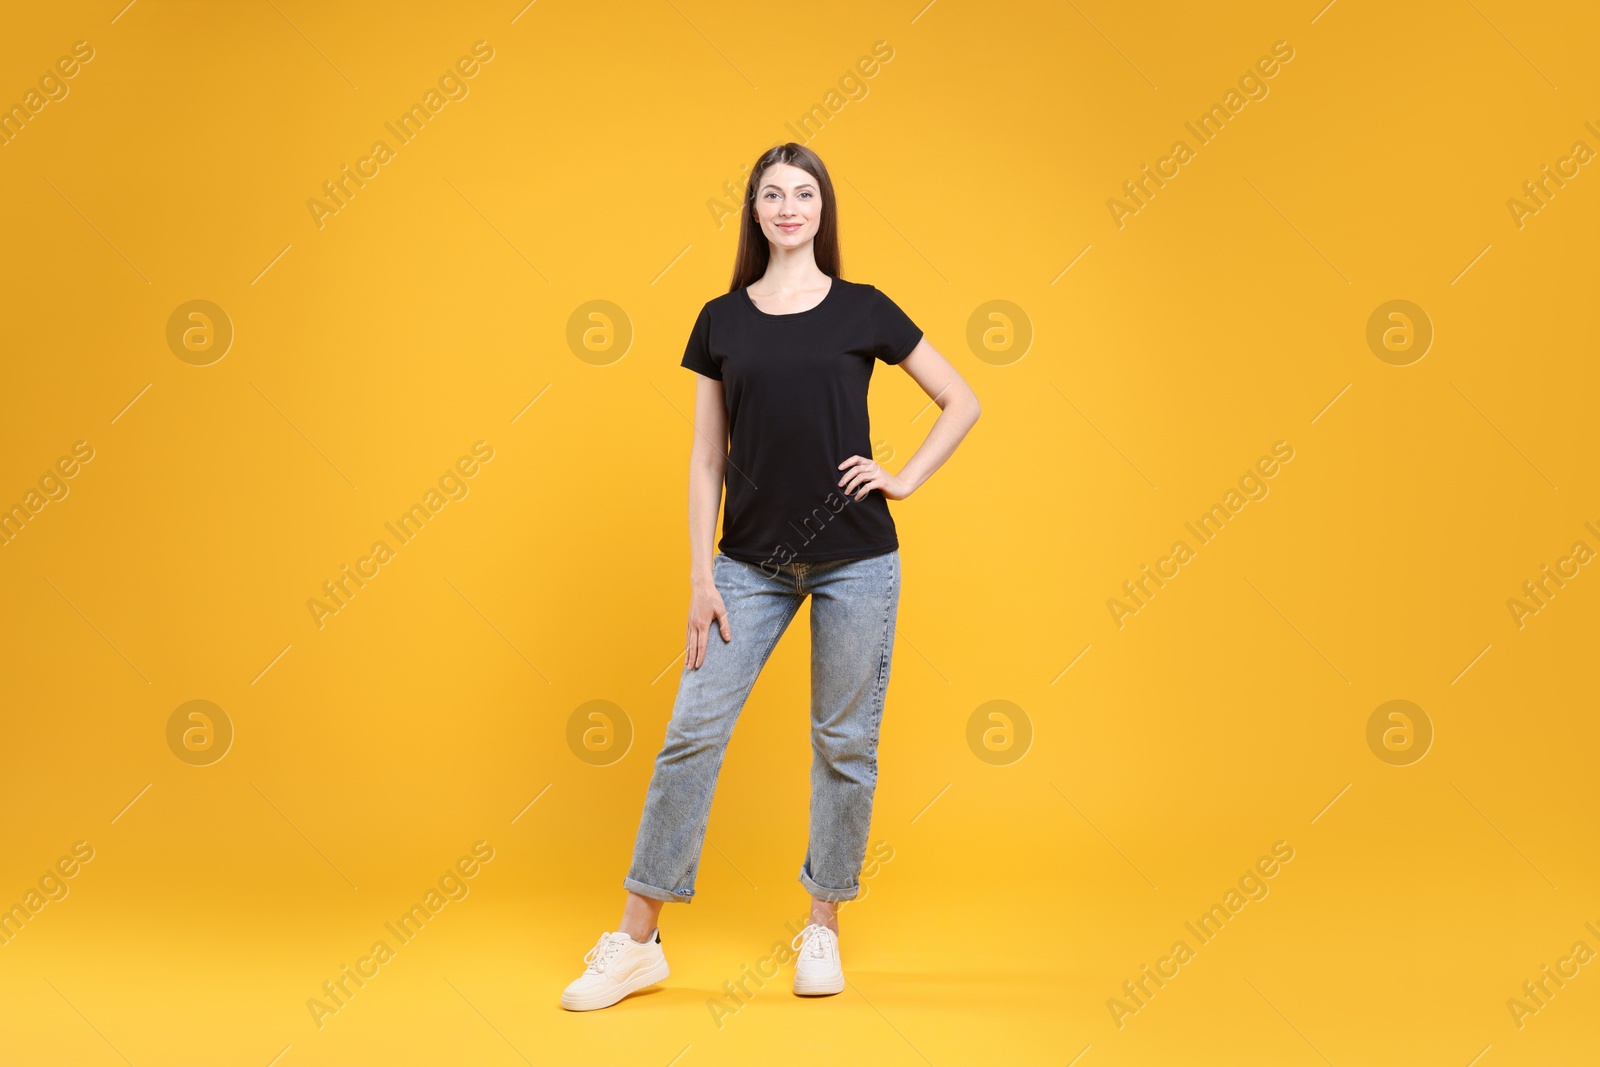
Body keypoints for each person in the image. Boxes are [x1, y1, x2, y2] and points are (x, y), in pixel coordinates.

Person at [561, 142, 981, 1011]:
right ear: (753, 211)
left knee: (844, 744)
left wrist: (903, 476)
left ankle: (823, 926)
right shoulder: (721, 319)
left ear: (823, 209)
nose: (788, 206)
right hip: (745, 566)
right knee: (691, 732)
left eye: (803, 193)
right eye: (771, 194)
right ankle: (637, 942)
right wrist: (700, 574)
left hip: (857, 560)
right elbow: (704, 458)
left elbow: (962, 398)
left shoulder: (864, 308)